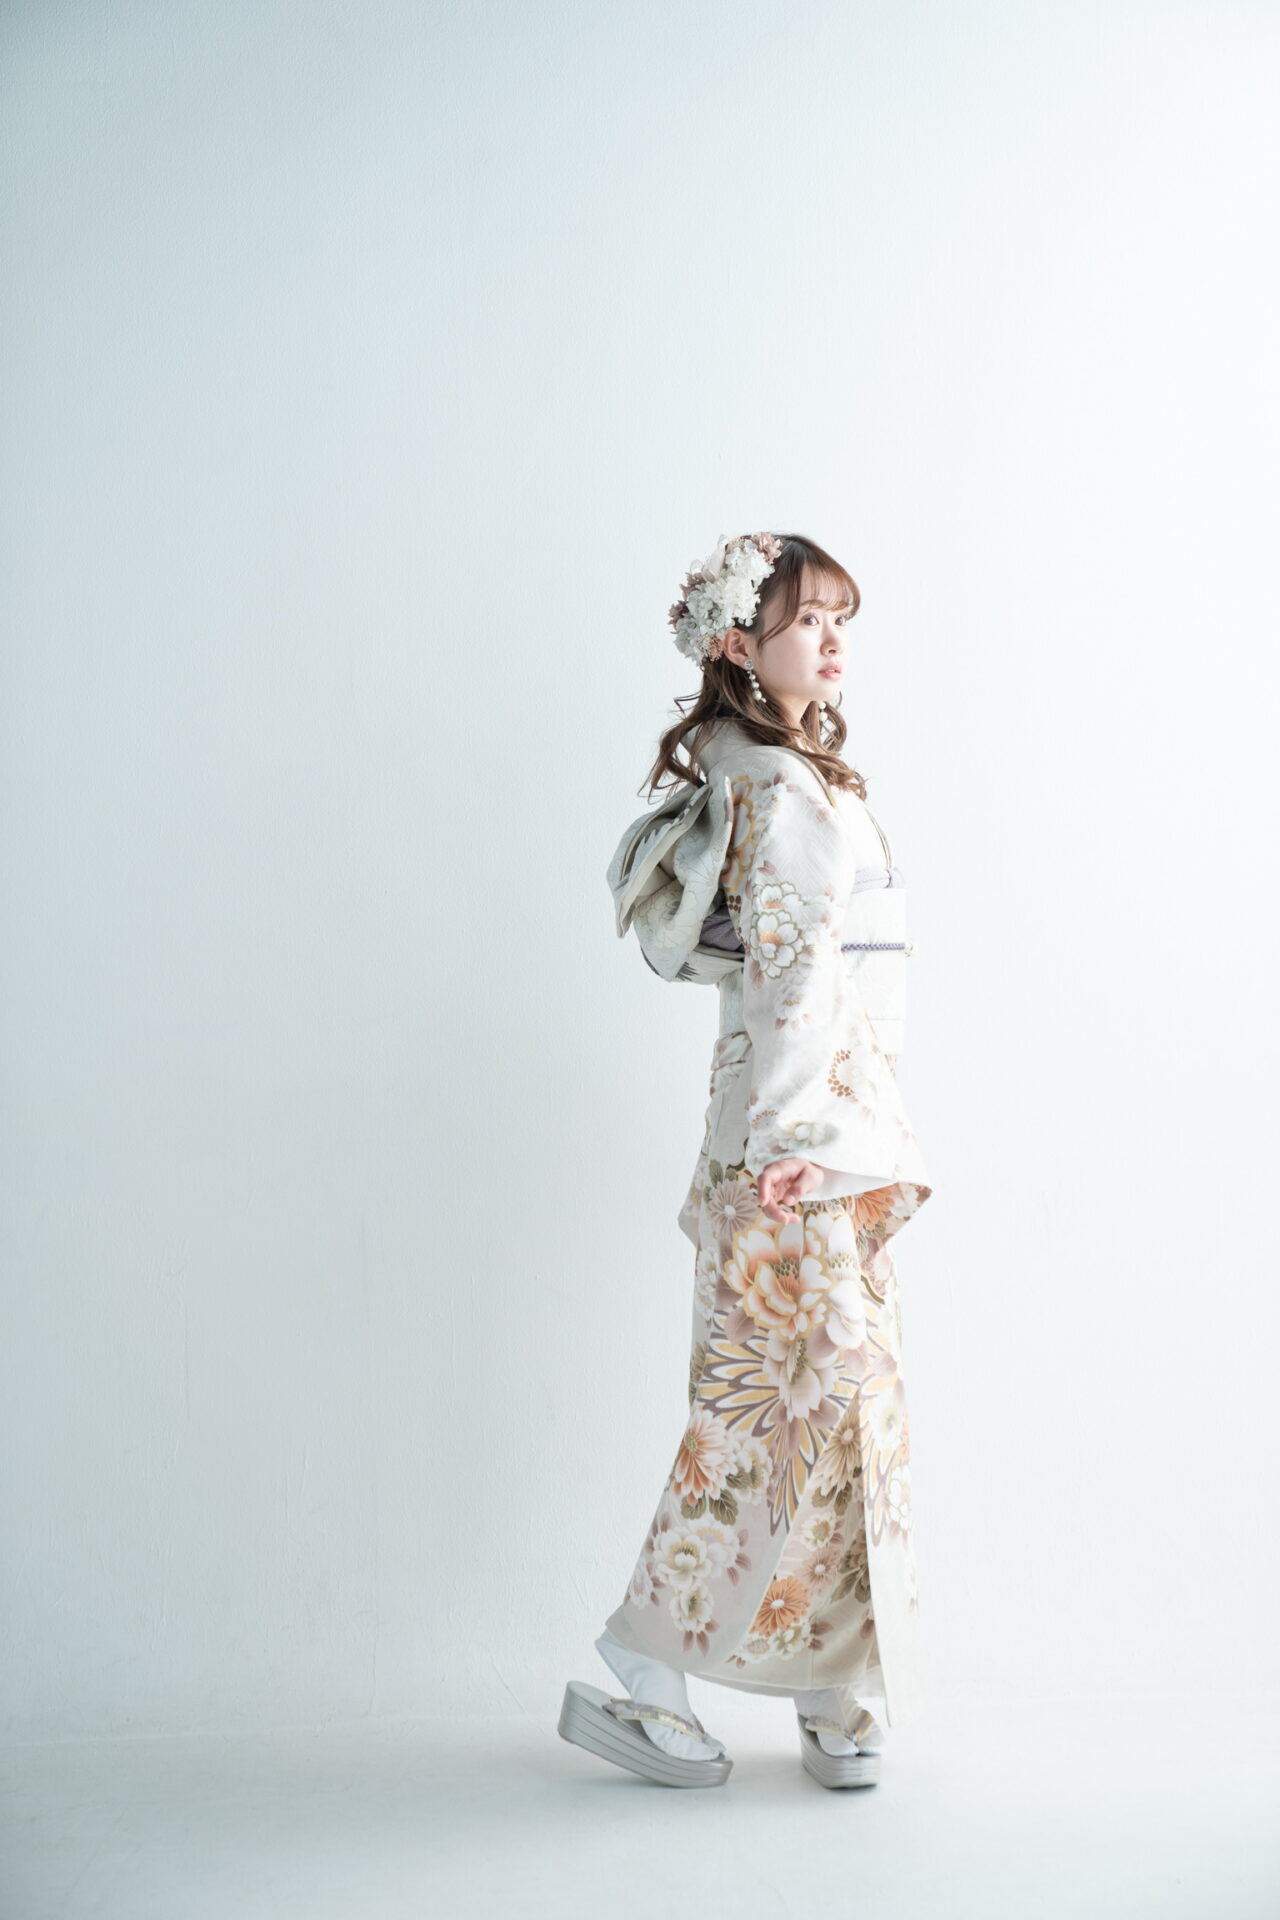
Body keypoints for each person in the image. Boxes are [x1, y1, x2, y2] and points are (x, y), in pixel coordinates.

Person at [559, 532, 934, 1790]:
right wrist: (799, 1142)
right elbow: (791, 978)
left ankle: (829, 1678)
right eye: (807, 617)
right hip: (798, 1145)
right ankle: (648, 1664)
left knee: (818, 1406)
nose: (832, 640)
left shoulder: (766, 772)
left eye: (841, 618)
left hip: (796, 1134)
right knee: (779, 1408)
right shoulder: (779, 787)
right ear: (738, 641)